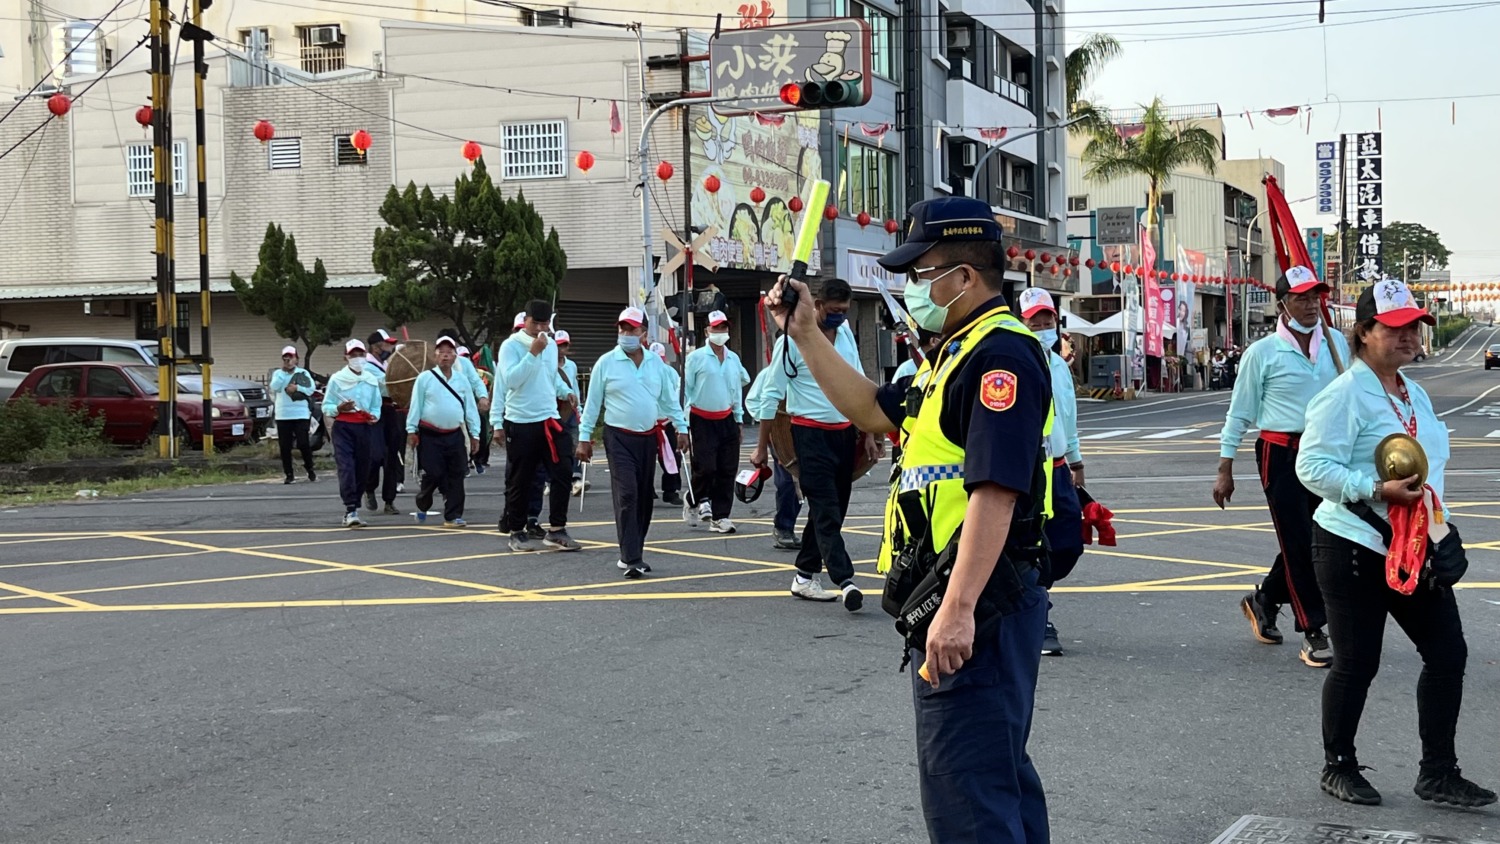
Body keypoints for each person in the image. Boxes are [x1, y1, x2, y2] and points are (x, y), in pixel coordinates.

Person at [766, 196, 1054, 842]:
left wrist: (956, 610)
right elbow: (871, 409)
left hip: (977, 605)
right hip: (968, 598)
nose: (910, 288)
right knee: (997, 777)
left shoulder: (998, 357)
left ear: (964, 279)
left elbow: (996, 491)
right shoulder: (952, 355)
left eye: (919, 274)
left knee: (969, 798)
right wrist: (807, 331)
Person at [1296, 278, 1494, 809]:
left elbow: (1431, 474)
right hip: (1352, 544)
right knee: (1358, 663)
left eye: (1416, 327)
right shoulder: (1343, 395)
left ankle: (1438, 772)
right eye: (1397, 328)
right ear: (1363, 332)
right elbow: (1311, 466)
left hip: (1413, 546)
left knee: (1448, 654)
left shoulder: (1414, 391)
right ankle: (1338, 765)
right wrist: (1374, 489)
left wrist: (1441, 530)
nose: (1410, 338)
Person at [1215, 266, 1344, 669]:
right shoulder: (1262, 353)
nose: (1310, 305)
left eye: (1315, 297)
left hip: (1326, 451)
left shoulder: (1337, 344)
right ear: (1283, 304)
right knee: (1298, 540)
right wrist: (1225, 466)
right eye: (1301, 298)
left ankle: (1265, 598)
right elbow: (1239, 413)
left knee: (1319, 538)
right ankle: (1314, 629)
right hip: (1280, 453)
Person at [751, 277, 877, 610]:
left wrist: (870, 434)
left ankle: (804, 575)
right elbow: (770, 395)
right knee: (825, 509)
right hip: (809, 436)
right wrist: (762, 447)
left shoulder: (846, 333)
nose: (838, 316)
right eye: (833, 310)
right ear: (817, 305)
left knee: (833, 511)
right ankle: (845, 579)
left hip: (845, 433)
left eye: (844, 311)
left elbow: (860, 381)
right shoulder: (792, 342)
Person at [577, 308, 689, 579]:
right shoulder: (606, 362)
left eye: (632, 329)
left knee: (643, 498)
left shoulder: (655, 364)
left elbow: (667, 401)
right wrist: (583, 437)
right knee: (627, 493)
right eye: (622, 329)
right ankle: (631, 557)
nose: (626, 334)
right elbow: (592, 404)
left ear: (644, 333)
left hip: (647, 437)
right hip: (618, 438)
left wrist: (681, 428)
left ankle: (634, 548)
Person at [1017, 287, 1085, 657]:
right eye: (1035, 321)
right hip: (1028, 470)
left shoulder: (1059, 363)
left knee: (1068, 542)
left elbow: (1068, 417)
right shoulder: (1016, 360)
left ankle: (1033, 597)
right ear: (1022, 323)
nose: (1043, 327)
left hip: (1058, 468)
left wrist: (1077, 462)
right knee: (1031, 543)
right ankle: (1037, 612)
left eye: (1048, 321)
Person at [492, 301, 580, 553]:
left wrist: (565, 390)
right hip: (521, 420)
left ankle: (557, 529)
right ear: (526, 320)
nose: (541, 328)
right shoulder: (511, 346)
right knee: (522, 478)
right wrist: (532, 353)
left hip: (549, 417)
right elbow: (510, 381)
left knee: (563, 472)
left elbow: (550, 376)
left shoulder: (551, 345)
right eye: (536, 323)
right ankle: (517, 530)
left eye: (545, 324)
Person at [684, 310, 750, 533]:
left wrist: (739, 419)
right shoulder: (695, 358)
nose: (721, 332)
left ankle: (721, 516)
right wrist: (681, 423)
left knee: (727, 469)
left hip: (727, 418)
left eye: (724, 328)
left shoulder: (733, 359)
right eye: (716, 328)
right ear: (707, 331)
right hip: (701, 418)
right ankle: (693, 497)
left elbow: (736, 391)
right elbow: (686, 391)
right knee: (706, 468)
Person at [407, 335, 481, 527]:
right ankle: (423, 501)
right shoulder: (425, 379)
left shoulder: (462, 380)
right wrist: (411, 430)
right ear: (435, 356)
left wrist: (475, 434)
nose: (445, 356)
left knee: (457, 474)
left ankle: (453, 515)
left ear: (455, 357)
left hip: (454, 433)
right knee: (434, 472)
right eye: (441, 352)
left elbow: (470, 408)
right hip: (430, 434)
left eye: (449, 352)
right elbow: (416, 405)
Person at [323, 339, 384, 528]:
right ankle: (350, 509)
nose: (357, 358)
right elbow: (327, 406)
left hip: (364, 427)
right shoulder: (337, 379)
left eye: (360, 354)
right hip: (343, 427)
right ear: (346, 357)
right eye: (353, 355)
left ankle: (356, 504)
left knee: (363, 468)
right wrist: (339, 408)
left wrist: (374, 415)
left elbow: (376, 404)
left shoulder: (371, 379)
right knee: (346, 466)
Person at [746, 363, 801, 550]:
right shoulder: (769, 374)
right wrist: (768, 427)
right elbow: (753, 402)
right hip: (780, 433)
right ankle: (783, 527)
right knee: (787, 481)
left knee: (805, 484)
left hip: (807, 431)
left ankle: (793, 526)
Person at [362, 328, 403, 515]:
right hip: (375, 412)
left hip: (390, 411)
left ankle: (389, 499)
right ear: (375, 346)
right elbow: (386, 387)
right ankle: (369, 487)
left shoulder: (387, 364)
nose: (389, 347)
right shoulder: (366, 366)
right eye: (386, 343)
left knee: (392, 457)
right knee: (376, 454)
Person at [269, 345, 316, 485]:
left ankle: (310, 468)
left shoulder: (303, 373)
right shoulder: (278, 373)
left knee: (303, 443)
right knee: (285, 445)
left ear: (297, 359)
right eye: (286, 357)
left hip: (300, 413)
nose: (288, 360)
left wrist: (298, 388)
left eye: (291, 357)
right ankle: (289, 473)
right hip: (283, 414)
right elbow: (274, 387)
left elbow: (311, 389)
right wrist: (284, 373)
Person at [650, 342, 686, 507]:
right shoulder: (644, 371)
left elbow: (678, 396)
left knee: (673, 457)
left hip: (667, 421)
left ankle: (671, 491)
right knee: (646, 459)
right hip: (647, 423)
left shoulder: (670, 372)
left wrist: (681, 423)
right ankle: (646, 489)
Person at [554, 330, 587, 497]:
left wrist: (579, 409)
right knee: (553, 446)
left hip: (570, 409)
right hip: (553, 409)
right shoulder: (547, 363)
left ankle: (576, 478)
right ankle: (551, 480)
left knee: (575, 443)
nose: (561, 349)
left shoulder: (572, 365)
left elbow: (574, 388)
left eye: (564, 345)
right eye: (558, 345)